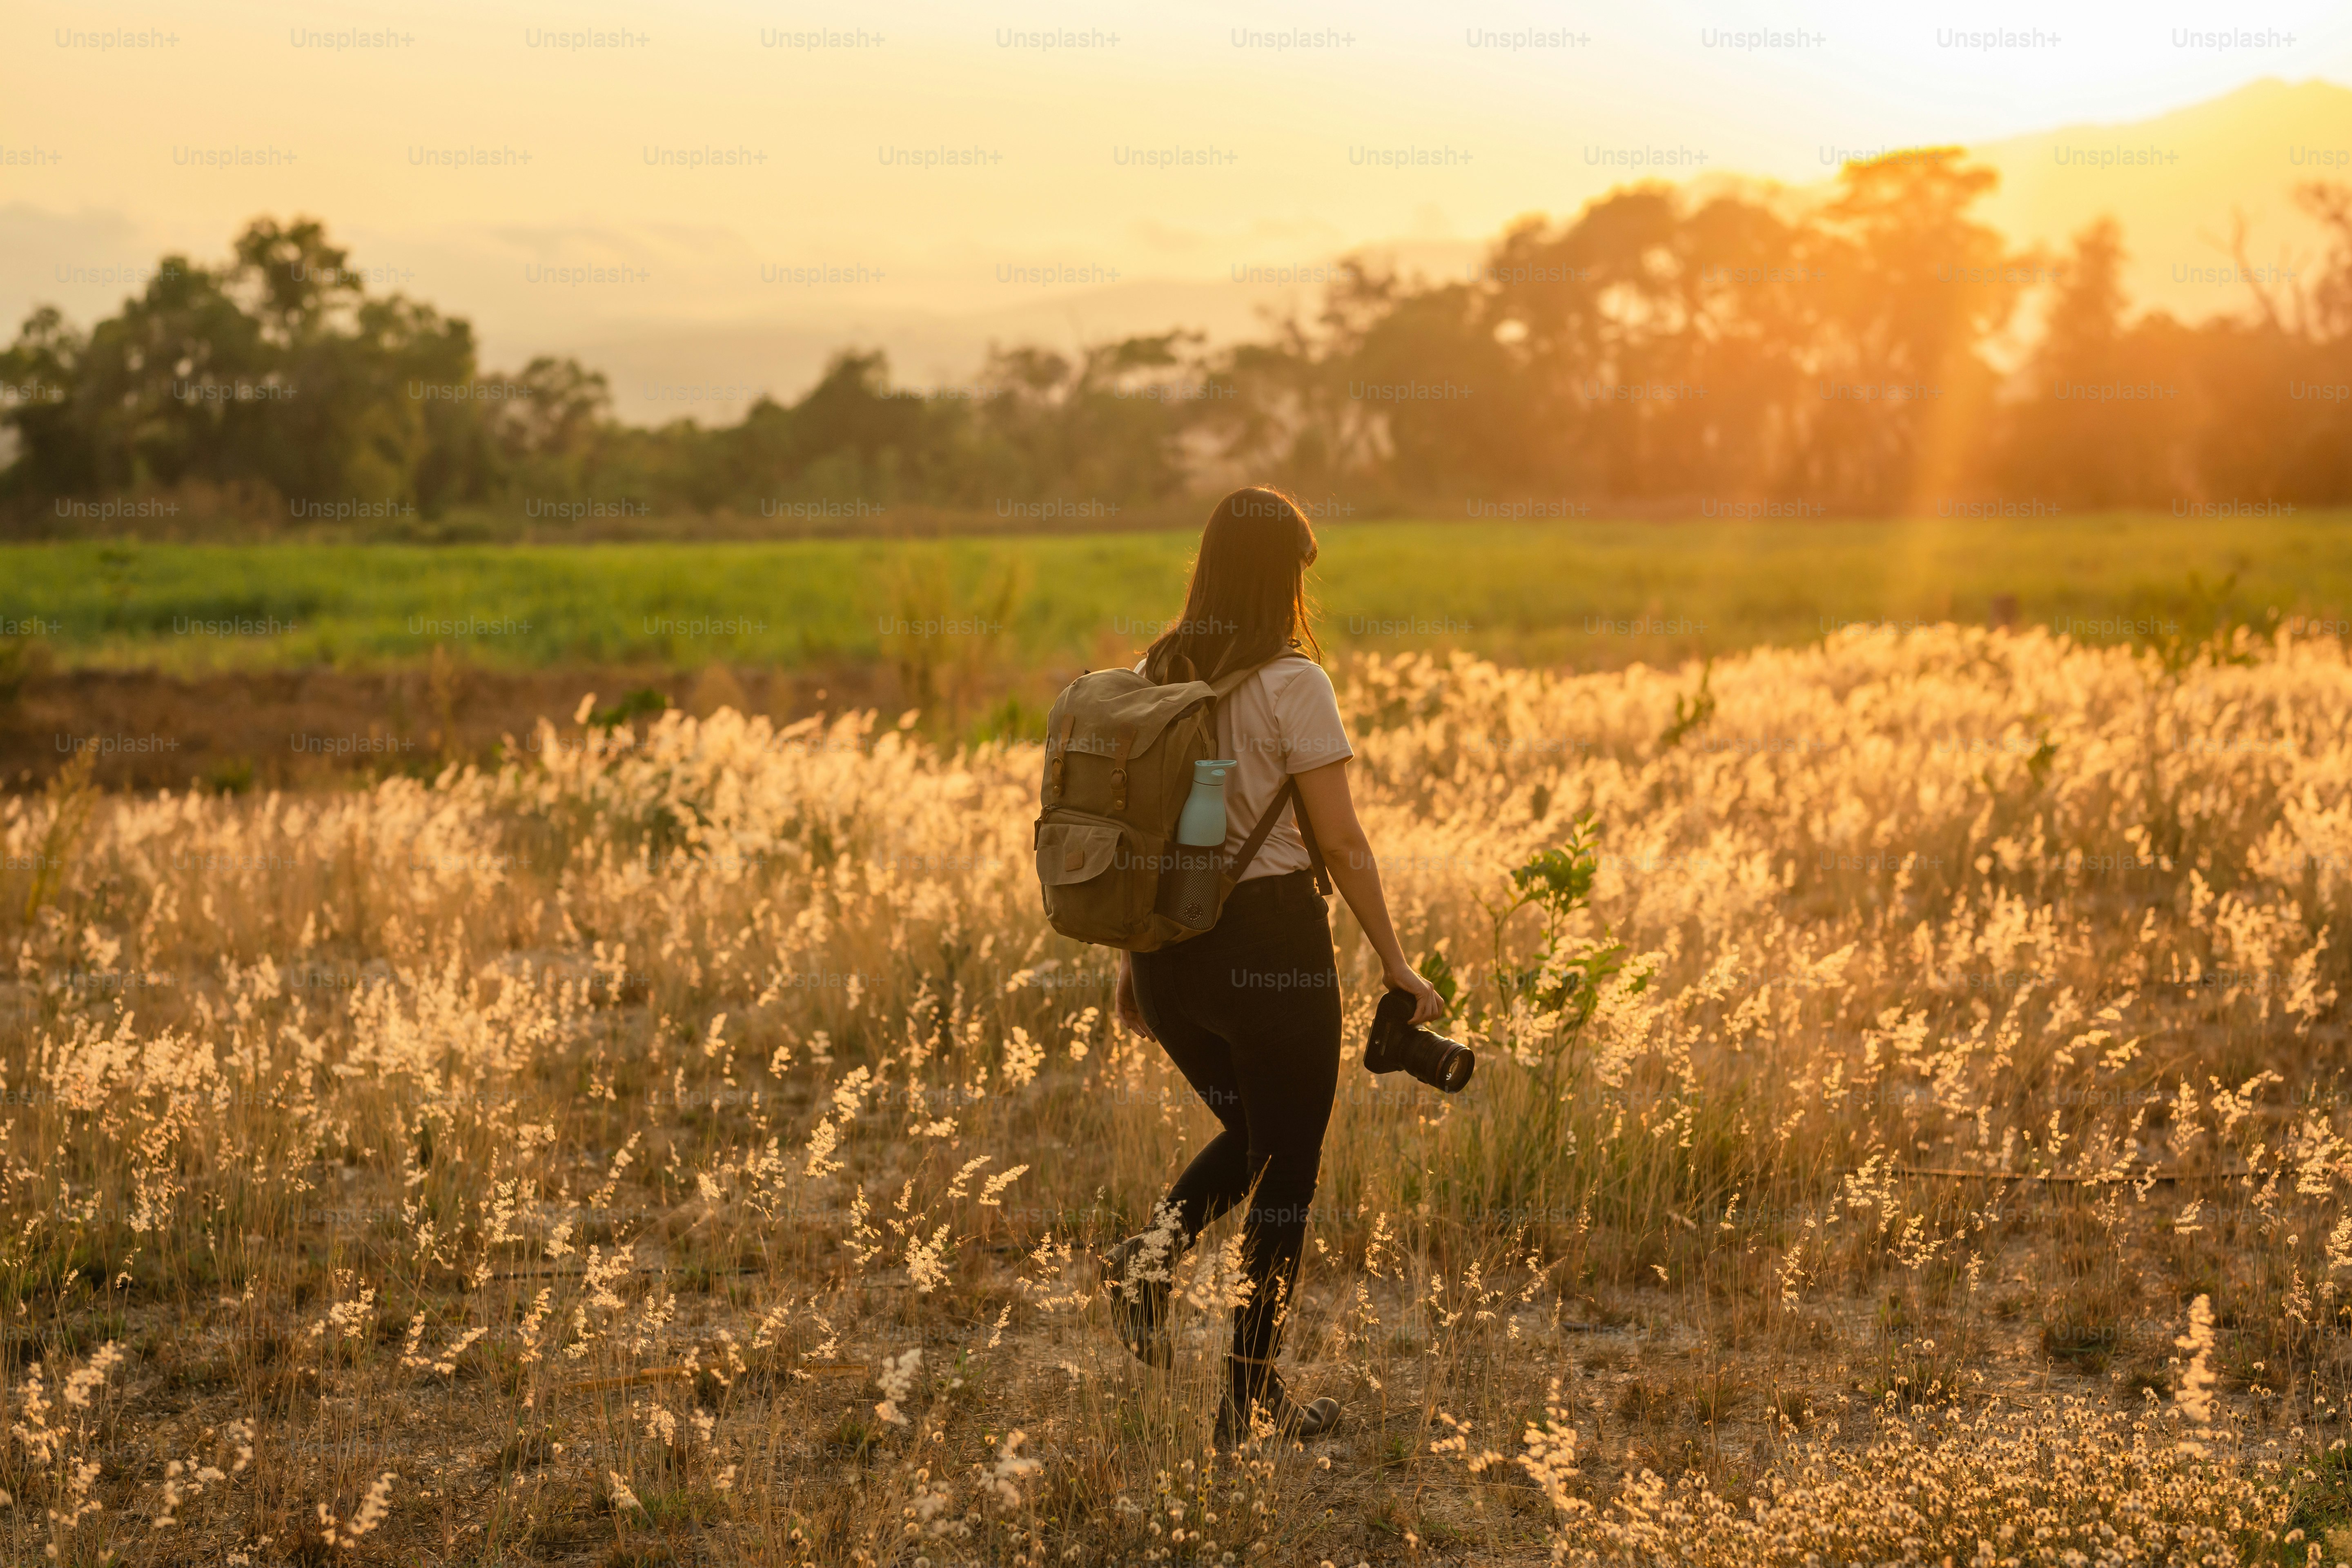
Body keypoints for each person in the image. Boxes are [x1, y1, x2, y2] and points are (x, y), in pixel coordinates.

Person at [1104, 485, 1443, 1449]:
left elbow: (1149, 836)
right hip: (1269, 950)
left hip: (1174, 957)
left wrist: (1135, 964)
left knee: (1256, 1135)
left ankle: (1147, 1267)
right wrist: (1397, 962)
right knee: (1287, 1172)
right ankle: (1247, 1400)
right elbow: (1339, 841)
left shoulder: (1155, 670)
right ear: (1282, 573)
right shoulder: (1294, 685)